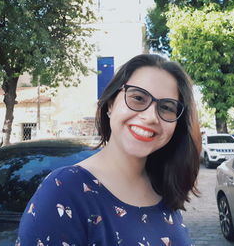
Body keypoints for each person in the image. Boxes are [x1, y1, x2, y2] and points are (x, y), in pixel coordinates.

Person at [16, 54, 202, 245]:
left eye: (167, 107)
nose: (151, 117)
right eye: (138, 98)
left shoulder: (163, 186)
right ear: (111, 104)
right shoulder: (64, 191)